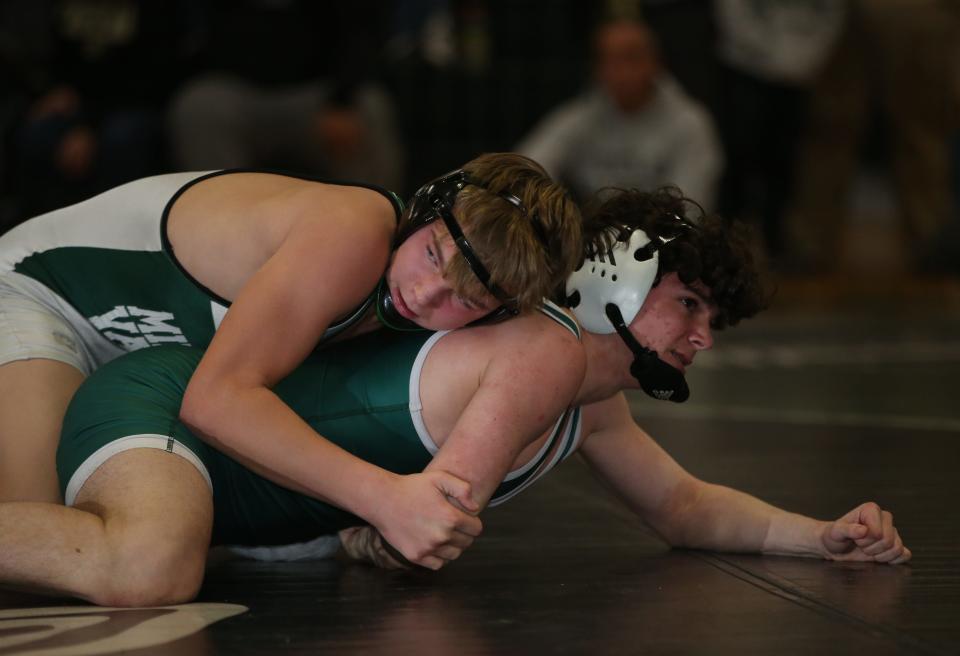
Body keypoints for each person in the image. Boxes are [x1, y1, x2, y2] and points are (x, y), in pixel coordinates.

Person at [0, 187, 909, 607]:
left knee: (99, 555)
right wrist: (385, 510)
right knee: (136, 569)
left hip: (180, 399)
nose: (701, 339)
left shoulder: (581, 394)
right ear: (617, 283)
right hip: (107, 346)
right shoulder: (541, 355)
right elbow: (423, 531)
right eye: (691, 306)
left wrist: (817, 534)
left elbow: (679, 504)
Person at [0, 153, 583, 563]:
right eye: (432, 255)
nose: (427, 295)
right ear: (427, 209)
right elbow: (216, 401)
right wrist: (384, 499)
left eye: (466, 298)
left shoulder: (399, 303)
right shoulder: (352, 233)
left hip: (139, 353)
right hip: (39, 291)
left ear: (495, 314)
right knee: (44, 544)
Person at [517, 18, 722, 209]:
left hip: (665, 238)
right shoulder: (582, 116)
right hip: (594, 236)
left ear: (656, 62)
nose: (620, 71)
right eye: (608, 60)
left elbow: (691, 206)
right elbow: (524, 167)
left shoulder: (690, 123)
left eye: (631, 58)